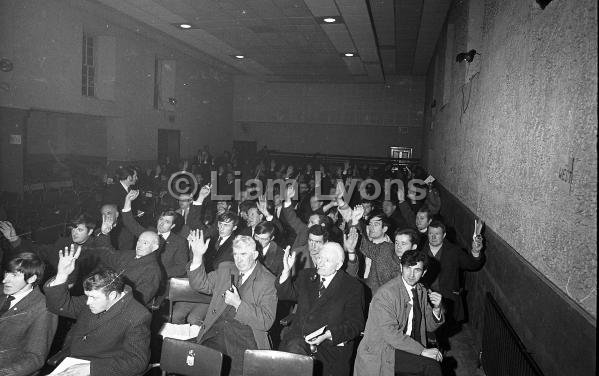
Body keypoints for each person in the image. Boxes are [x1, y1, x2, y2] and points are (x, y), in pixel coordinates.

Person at [45, 246, 151, 376]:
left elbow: (137, 362)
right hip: (73, 360)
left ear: (112, 295)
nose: (88, 302)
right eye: (87, 296)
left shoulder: (137, 316)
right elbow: (58, 305)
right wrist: (62, 274)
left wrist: (91, 369)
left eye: (93, 298)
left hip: (102, 369)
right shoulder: (95, 298)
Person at [187, 232, 277, 376]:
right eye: (236, 254)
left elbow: (266, 321)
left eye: (243, 254)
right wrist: (197, 257)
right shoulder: (226, 269)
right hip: (215, 331)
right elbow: (201, 284)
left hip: (245, 339)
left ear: (254, 255)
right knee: (199, 366)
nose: (239, 260)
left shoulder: (268, 280)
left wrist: (238, 304)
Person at [276, 242, 365, 376]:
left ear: (339, 265)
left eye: (327, 260)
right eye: (319, 258)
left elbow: (356, 324)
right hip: (299, 341)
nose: (321, 263)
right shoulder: (307, 275)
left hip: (329, 349)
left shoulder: (352, 287)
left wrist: (328, 335)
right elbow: (285, 294)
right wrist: (286, 271)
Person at [354, 250, 444, 376]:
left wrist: (437, 309)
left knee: (432, 363)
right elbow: (390, 334)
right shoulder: (386, 294)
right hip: (385, 350)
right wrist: (423, 351)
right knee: (431, 366)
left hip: (409, 346)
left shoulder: (421, 290)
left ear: (424, 272)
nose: (411, 274)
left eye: (417, 270)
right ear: (401, 267)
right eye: (408, 268)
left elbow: (428, 326)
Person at [0, 252, 58, 376]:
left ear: (32, 278)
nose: (5, 280)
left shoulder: (44, 308)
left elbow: (35, 358)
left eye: (14, 275)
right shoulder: (2, 290)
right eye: (7, 272)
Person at [420, 220, 484, 323]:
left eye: (437, 234)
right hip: (426, 299)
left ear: (444, 235)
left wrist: (476, 252)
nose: (433, 237)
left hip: (447, 299)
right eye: (431, 234)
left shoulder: (454, 251)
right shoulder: (420, 251)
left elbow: (472, 265)